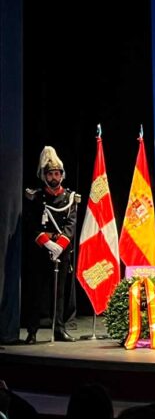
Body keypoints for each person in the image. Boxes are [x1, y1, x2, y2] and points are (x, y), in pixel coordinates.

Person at [24, 146, 80, 343]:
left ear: (62, 175)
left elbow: (71, 224)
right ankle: (32, 331)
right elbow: (31, 223)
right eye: (50, 174)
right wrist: (47, 243)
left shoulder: (70, 198)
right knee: (36, 291)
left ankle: (60, 329)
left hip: (61, 251)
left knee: (59, 293)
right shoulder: (36, 196)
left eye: (57, 173)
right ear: (44, 176)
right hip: (41, 250)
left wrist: (60, 245)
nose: (54, 177)